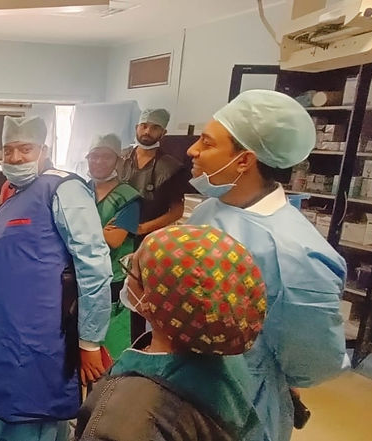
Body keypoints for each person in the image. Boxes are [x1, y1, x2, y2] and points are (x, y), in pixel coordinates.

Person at [0, 116, 113, 441]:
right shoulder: (14, 192)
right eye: (8, 150)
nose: (14, 158)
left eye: (24, 149)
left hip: (34, 334)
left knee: (28, 411)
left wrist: (90, 342)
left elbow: (94, 266)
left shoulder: (63, 188)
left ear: (44, 150)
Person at [186, 90, 347, 441]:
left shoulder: (294, 253)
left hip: (241, 404)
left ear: (243, 161)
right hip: (184, 383)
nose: (192, 151)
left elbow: (313, 358)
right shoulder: (209, 210)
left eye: (206, 143)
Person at [77, 225, 267, 441]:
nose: (127, 275)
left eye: (132, 270)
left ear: (150, 301)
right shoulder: (230, 365)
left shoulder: (127, 413)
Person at [85, 133, 141, 358]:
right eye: (94, 156)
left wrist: (83, 228)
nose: (98, 162)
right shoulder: (80, 189)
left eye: (106, 157)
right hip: (82, 274)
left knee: (107, 349)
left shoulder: (128, 197)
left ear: (118, 161)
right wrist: (100, 230)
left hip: (112, 278)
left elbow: (115, 239)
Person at [119, 108, 189, 238]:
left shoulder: (172, 168)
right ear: (136, 128)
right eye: (144, 126)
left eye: (155, 128)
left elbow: (177, 212)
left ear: (163, 133)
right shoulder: (120, 158)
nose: (147, 132)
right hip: (116, 232)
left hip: (149, 237)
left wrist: (142, 229)